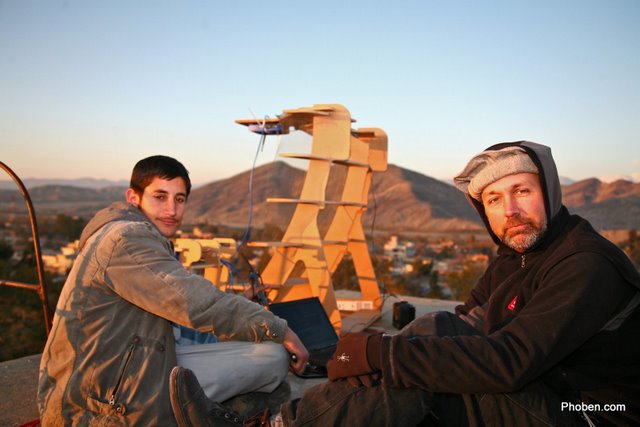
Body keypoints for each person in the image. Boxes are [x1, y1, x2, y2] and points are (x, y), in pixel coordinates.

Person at [171, 141, 640, 426]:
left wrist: (378, 353)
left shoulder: (584, 263)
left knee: (415, 371)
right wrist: (381, 353)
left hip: (587, 414)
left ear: (550, 193)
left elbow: (508, 363)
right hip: (541, 394)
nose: (509, 211)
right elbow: (462, 323)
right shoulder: (516, 254)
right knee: (428, 344)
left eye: (522, 192)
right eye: (494, 199)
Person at [37, 155, 308, 426]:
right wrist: (278, 328)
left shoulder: (132, 233)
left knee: (267, 354)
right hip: (99, 400)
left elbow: (177, 304)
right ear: (134, 197)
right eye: (160, 196)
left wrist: (239, 304)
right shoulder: (126, 239)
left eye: (179, 199)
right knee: (274, 356)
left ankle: (212, 411)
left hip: (132, 364)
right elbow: (194, 304)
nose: (171, 209)